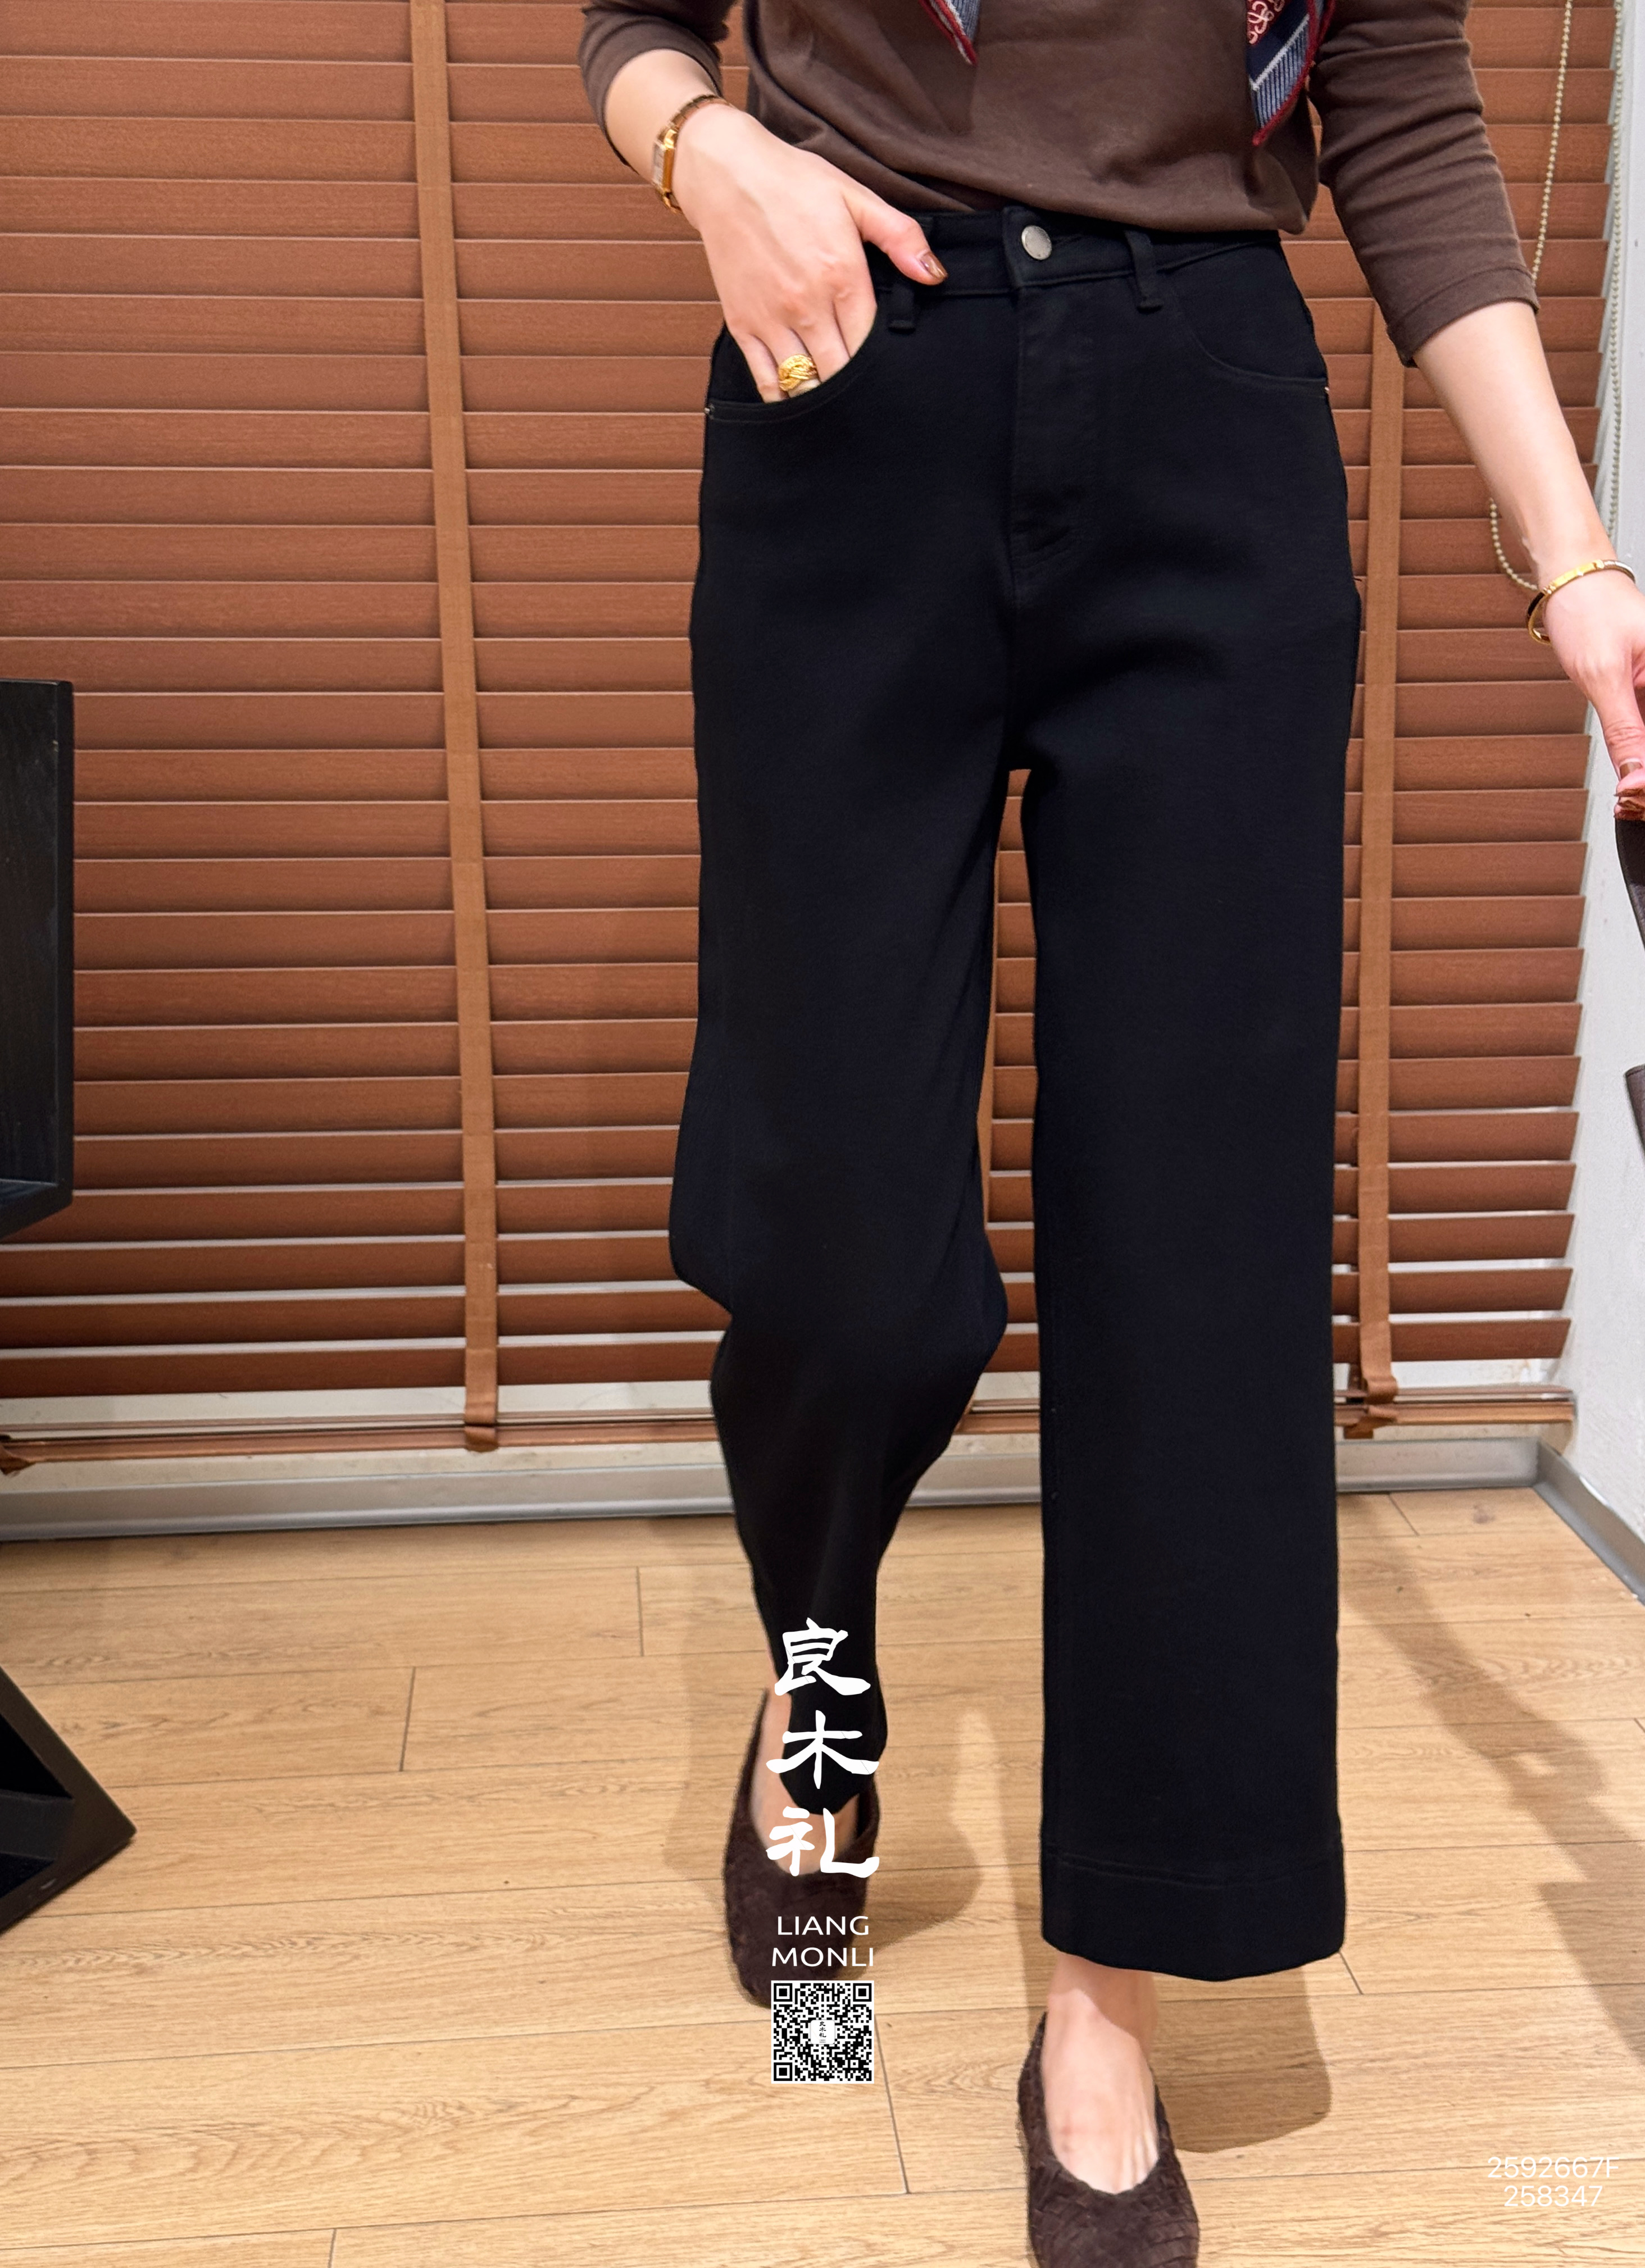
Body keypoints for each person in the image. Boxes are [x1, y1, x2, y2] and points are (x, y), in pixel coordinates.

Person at [577, 3, 1645, 2257]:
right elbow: (631, 20)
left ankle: (1108, 2008)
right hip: (848, 377)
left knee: (1199, 1257)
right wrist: (706, 155)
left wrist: (1578, 560)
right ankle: (819, 1685)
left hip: (1209, 418)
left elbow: (1400, 107)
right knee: (840, 1246)